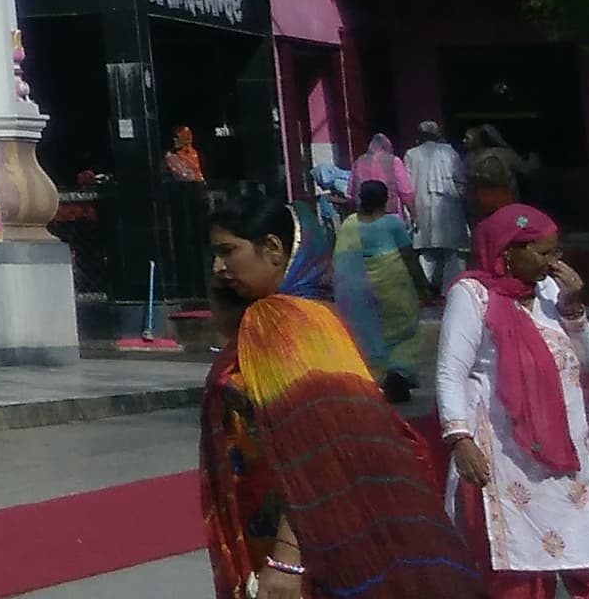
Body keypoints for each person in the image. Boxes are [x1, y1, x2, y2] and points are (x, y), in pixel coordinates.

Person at [197, 201, 485, 599]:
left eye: (228, 251)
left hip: (302, 539)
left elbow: (321, 449)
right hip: (286, 524)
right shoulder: (302, 318)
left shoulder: (287, 325)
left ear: (274, 249)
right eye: (214, 254)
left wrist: (287, 560)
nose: (217, 268)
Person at [438, 203, 589, 593]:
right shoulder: (473, 296)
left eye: (555, 252)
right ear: (509, 252)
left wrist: (573, 307)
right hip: (509, 459)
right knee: (522, 574)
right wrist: (459, 439)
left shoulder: (550, 291)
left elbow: (588, 361)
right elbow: (450, 372)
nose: (552, 261)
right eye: (543, 252)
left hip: (570, 454)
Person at [333, 181, 429, 400]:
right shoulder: (392, 224)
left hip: (360, 292)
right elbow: (409, 257)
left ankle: (375, 377)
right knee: (404, 333)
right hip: (393, 287)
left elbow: (340, 260)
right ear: (386, 200)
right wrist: (423, 286)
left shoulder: (349, 224)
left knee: (369, 332)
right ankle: (398, 373)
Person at [411, 123, 473, 295]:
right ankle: (450, 290)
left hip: (421, 204)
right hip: (449, 205)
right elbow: (460, 178)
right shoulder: (449, 151)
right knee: (453, 252)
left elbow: (408, 185)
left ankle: (426, 289)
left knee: (427, 251)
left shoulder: (411, 154)